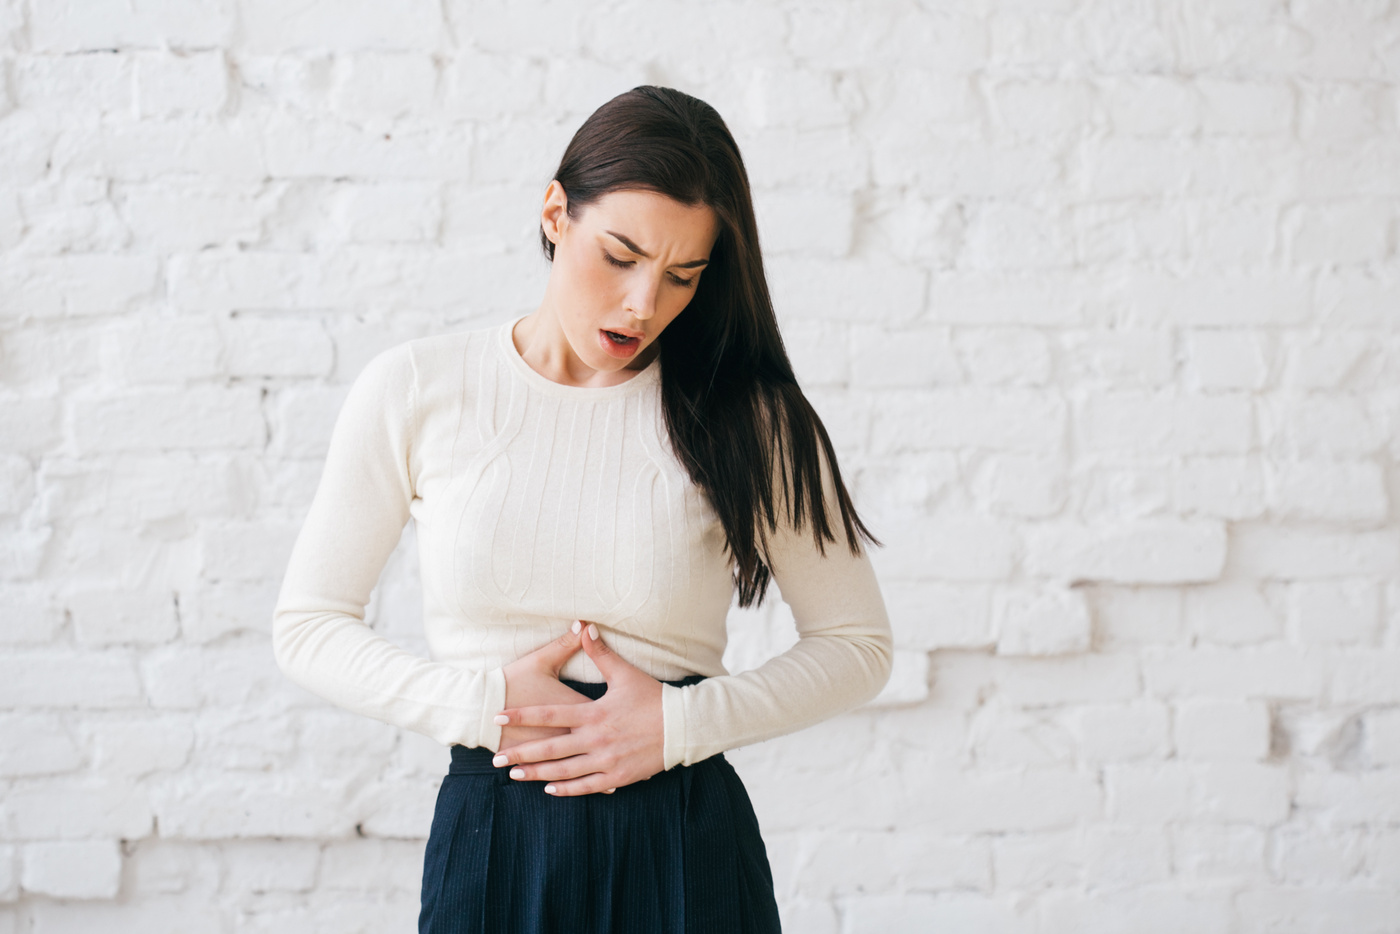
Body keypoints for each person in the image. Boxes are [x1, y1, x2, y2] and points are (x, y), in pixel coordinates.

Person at [272, 85, 893, 934]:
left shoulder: (746, 414)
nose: (645, 303)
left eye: (682, 275)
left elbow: (857, 646)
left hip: (683, 833)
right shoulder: (417, 389)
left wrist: (680, 723)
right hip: (495, 831)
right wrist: (479, 708)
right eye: (621, 256)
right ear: (555, 213)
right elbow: (308, 624)